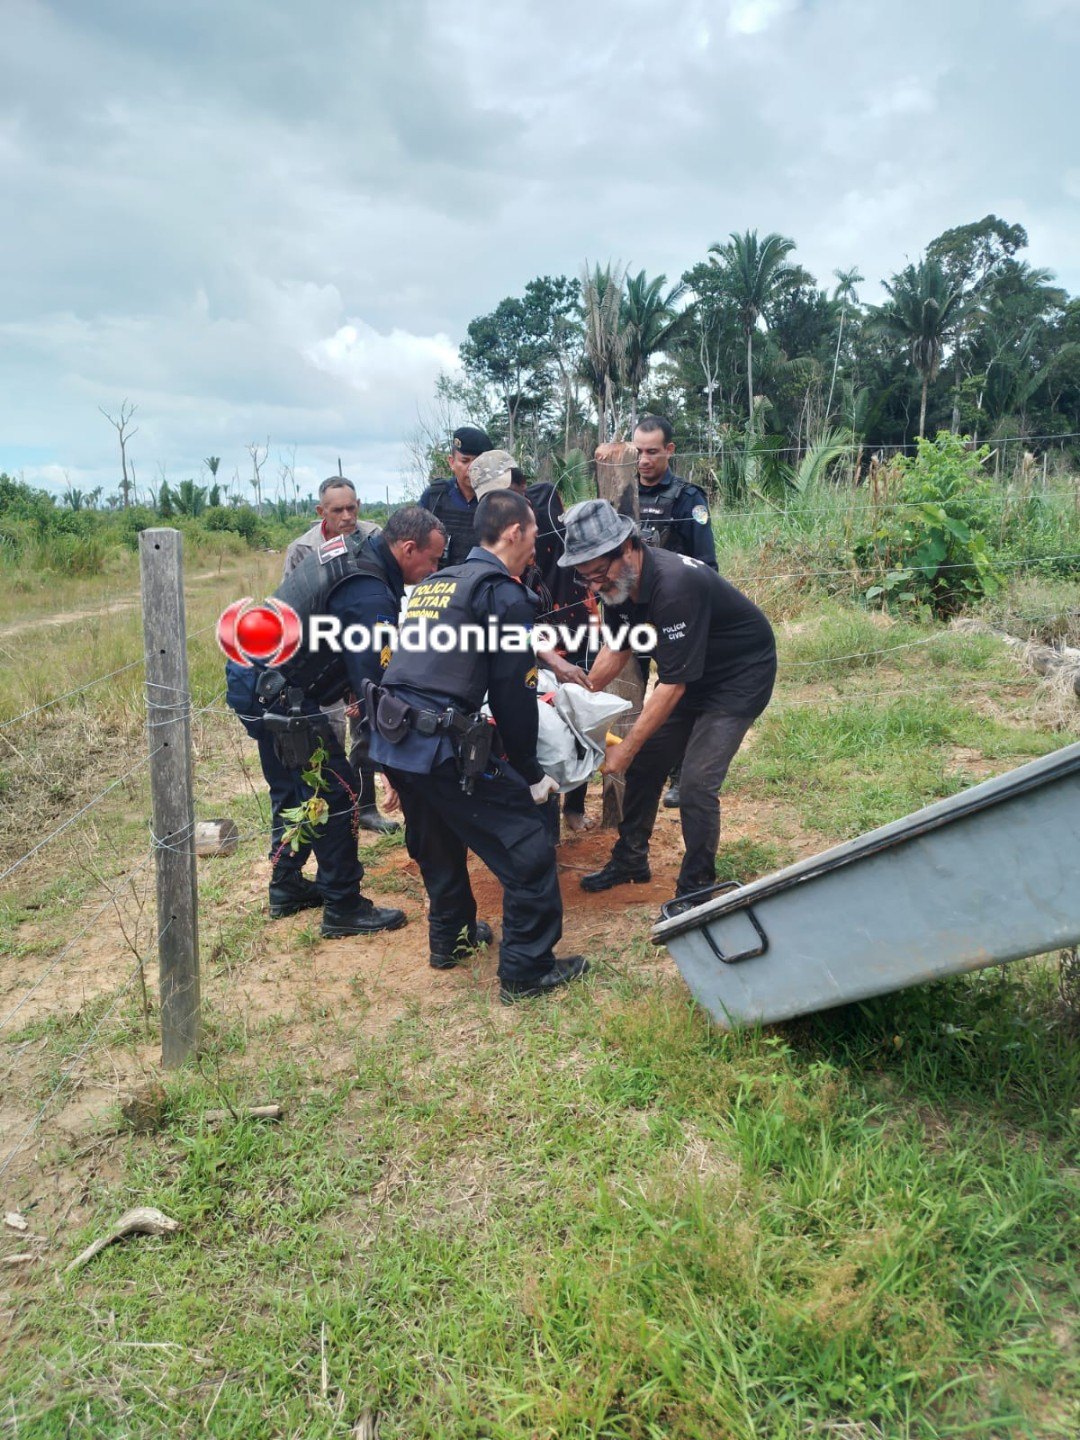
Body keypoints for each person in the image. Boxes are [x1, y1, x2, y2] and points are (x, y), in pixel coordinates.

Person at [367, 489, 587, 1002]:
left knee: (437, 839)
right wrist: (531, 774)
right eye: (535, 533)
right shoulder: (504, 595)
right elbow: (513, 695)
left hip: (393, 737)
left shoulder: (436, 584)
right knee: (528, 848)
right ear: (514, 533)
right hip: (439, 744)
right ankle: (527, 971)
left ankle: (452, 938)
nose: (538, 543)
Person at [225, 505, 446, 936]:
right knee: (339, 793)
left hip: (253, 677)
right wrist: (391, 768)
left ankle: (286, 886)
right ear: (407, 548)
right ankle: (344, 906)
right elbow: (374, 693)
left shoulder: (353, 551)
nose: (435, 568)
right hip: (279, 694)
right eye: (433, 560)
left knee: (294, 789)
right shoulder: (371, 593)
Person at [558, 499, 776, 903]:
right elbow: (618, 648)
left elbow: (671, 686)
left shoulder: (674, 586)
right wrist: (578, 692)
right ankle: (631, 860)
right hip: (692, 674)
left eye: (598, 573)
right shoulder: (619, 586)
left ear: (626, 548)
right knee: (646, 764)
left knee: (695, 783)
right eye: (585, 579)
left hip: (738, 677)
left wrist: (622, 751)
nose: (595, 586)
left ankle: (696, 889)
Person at [283, 476, 397, 834]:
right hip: (322, 653)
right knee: (325, 731)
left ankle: (364, 807)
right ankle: (327, 809)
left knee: (365, 724)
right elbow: (298, 612)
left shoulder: (373, 537)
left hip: (362, 645)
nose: (347, 516)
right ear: (321, 512)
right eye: (338, 510)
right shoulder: (303, 549)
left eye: (352, 507)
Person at [633, 415, 717, 811]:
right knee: (629, 689)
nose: (644, 460)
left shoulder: (688, 498)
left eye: (652, 451)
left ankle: (681, 775)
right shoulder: (621, 490)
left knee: (677, 693)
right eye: (638, 452)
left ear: (669, 450)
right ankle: (629, 764)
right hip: (631, 612)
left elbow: (706, 564)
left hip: (674, 612)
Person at [419, 425, 494, 568]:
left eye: (478, 463)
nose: (472, 469)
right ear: (452, 462)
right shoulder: (435, 496)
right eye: (465, 461)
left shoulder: (497, 500)